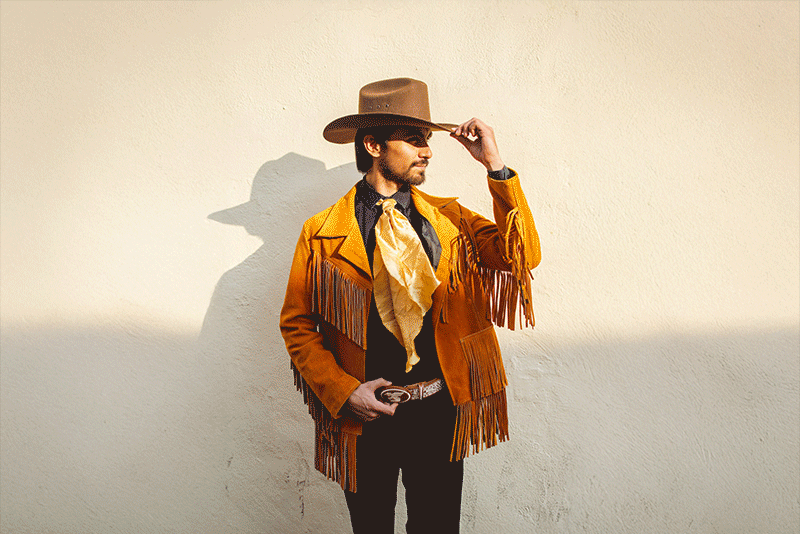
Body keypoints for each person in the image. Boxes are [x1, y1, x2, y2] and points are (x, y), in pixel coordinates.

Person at [280, 78, 541, 533]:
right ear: (373, 145)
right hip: (363, 416)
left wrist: (495, 166)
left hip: (438, 413)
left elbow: (522, 255)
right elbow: (297, 325)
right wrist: (344, 392)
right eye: (415, 139)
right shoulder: (321, 232)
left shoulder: (451, 220)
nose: (428, 151)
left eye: (427, 140)